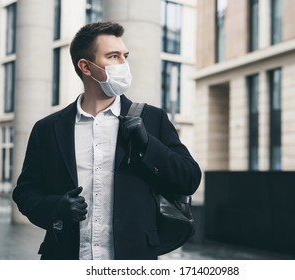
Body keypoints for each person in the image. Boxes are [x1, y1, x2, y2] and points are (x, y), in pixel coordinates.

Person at [12, 22, 201, 260]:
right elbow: (25, 193)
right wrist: (56, 207)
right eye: (113, 56)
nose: (123, 64)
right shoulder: (48, 129)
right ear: (86, 67)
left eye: (125, 56)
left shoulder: (152, 119)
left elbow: (189, 179)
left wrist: (147, 145)